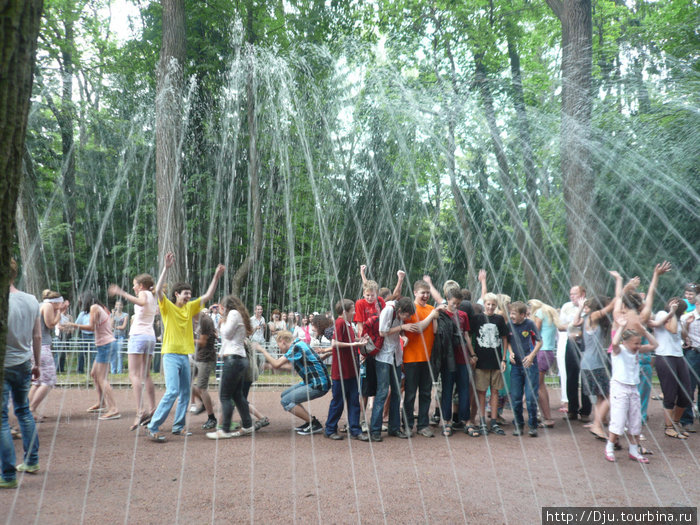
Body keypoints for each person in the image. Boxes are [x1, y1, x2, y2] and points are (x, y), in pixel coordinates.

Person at [147, 252, 224, 442]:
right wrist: (166, 267)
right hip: (170, 355)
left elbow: (208, 295)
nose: (189, 296)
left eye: (190, 293)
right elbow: (157, 291)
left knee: (184, 393)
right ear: (176, 295)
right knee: (172, 391)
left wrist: (216, 277)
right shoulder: (167, 307)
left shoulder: (190, 308)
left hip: (185, 356)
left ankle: (178, 426)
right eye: (185, 293)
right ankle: (153, 426)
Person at [1, 259, 42, 488]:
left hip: (4, 365)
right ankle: (31, 460)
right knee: (24, 411)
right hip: (24, 362)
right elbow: (37, 336)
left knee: (1, 420)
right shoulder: (31, 300)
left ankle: (7, 475)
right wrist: (36, 362)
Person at [423, 277, 474, 438]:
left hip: (462, 358)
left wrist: (472, 354)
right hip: (447, 358)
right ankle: (447, 421)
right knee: (446, 390)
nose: (456, 306)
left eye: (458, 304)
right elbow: (435, 331)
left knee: (464, 390)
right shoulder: (441, 313)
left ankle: (467, 421)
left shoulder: (463, 315)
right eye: (454, 303)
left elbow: (466, 336)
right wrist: (436, 313)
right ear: (447, 300)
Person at [109, 274, 158, 430]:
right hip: (150, 336)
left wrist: (122, 293)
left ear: (141, 285)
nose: (133, 287)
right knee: (146, 374)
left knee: (134, 375)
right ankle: (153, 408)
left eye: (134, 285)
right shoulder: (154, 295)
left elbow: (141, 302)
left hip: (138, 336)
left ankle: (140, 411)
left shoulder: (144, 294)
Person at [258, 331, 332, 435]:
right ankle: (309, 421)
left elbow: (276, 364)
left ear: (283, 341)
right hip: (312, 381)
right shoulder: (299, 345)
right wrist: (269, 366)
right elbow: (292, 368)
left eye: (279, 345)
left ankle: (314, 424)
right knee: (285, 395)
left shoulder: (296, 347)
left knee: (286, 401)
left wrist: (262, 350)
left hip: (318, 384)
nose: (279, 348)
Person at [605, 321, 658, 463]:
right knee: (619, 420)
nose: (638, 346)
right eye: (635, 343)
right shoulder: (619, 350)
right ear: (626, 342)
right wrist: (621, 326)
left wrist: (644, 331)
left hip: (633, 387)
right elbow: (615, 344)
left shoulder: (637, 350)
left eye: (639, 343)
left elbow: (654, 345)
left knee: (635, 421)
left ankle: (634, 450)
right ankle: (609, 447)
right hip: (620, 387)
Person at [207, 295, 254, 439]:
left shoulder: (233, 314)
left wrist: (221, 322)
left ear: (224, 307)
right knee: (237, 395)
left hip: (234, 360)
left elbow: (226, 334)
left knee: (225, 395)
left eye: (220, 307)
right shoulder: (237, 315)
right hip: (237, 359)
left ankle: (224, 429)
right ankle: (247, 425)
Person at [68, 292, 121, 420]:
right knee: (94, 374)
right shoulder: (100, 308)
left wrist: (74, 325)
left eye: (81, 301)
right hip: (106, 345)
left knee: (102, 378)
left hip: (106, 345)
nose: (80, 304)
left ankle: (113, 408)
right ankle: (101, 402)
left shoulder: (94, 308)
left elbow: (91, 327)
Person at [369, 297, 415, 441]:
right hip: (383, 356)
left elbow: (398, 330)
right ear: (400, 310)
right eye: (406, 316)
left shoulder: (399, 313)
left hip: (395, 355)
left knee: (396, 392)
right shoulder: (389, 310)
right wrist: (402, 328)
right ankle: (375, 430)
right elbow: (382, 331)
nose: (406, 319)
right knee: (382, 392)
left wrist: (403, 336)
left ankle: (394, 428)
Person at [324, 299, 370, 441]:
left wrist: (358, 340)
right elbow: (334, 343)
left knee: (353, 401)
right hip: (341, 371)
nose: (355, 312)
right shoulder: (340, 323)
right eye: (352, 310)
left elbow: (345, 340)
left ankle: (354, 429)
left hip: (350, 370)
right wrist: (355, 343)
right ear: (345, 312)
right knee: (338, 401)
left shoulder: (348, 324)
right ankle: (331, 429)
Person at [402, 280, 443, 438]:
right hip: (411, 357)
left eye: (427, 293)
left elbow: (434, 331)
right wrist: (432, 315)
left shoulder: (431, 309)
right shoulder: (410, 309)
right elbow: (418, 328)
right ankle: (407, 425)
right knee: (411, 393)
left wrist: (435, 317)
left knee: (426, 392)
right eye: (422, 293)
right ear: (415, 293)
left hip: (427, 358)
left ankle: (423, 425)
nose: (425, 296)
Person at [649, 298, 693, 438]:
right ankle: (668, 427)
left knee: (687, 393)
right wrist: (672, 312)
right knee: (670, 393)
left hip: (678, 356)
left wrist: (686, 323)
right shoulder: (663, 314)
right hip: (665, 356)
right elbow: (672, 330)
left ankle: (676, 422)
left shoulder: (677, 318)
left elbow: (684, 336)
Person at [470, 292, 509, 437]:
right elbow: (469, 336)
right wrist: (472, 354)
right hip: (481, 361)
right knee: (481, 391)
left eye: (493, 304)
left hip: (496, 361)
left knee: (495, 391)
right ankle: (481, 420)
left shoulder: (499, 319)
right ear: (484, 304)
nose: (491, 307)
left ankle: (493, 421)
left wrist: (504, 358)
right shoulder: (477, 318)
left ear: (496, 305)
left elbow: (505, 338)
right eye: (488, 304)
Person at [507, 301, 542, 437]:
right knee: (515, 397)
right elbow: (508, 341)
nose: (511, 316)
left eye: (514, 314)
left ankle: (533, 426)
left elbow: (539, 341)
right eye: (510, 313)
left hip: (530, 365)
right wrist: (510, 353)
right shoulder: (509, 325)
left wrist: (532, 355)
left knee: (530, 397)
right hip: (516, 365)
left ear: (523, 315)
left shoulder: (530, 324)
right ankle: (518, 424)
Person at [354, 278, 386, 430]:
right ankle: (361, 421)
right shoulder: (360, 304)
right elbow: (360, 326)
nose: (370, 298)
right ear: (363, 294)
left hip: (381, 346)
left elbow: (386, 320)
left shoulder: (380, 301)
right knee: (366, 388)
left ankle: (377, 421)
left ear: (376, 294)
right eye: (367, 295)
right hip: (368, 346)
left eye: (372, 295)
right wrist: (363, 349)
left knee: (381, 386)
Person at [28, 289, 62, 418]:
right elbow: (51, 324)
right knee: (48, 380)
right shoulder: (47, 306)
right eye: (60, 303)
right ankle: (31, 409)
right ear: (55, 302)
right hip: (42, 347)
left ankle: (28, 410)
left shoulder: (40, 305)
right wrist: (59, 314)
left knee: (37, 381)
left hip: (35, 346)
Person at [561, 285, 591, 421]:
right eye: (570, 294)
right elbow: (560, 326)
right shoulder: (566, 307)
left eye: (575, 294)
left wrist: (575, 325)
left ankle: (585, 411)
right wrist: (573, 325)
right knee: (571, 376)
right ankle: (572, 410)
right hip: (572, 343)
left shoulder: (590, 306)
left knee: (586, 377)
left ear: (583, 293)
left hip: (587, 345)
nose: (572, 296)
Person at [528, 299, 559, 428]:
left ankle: (547, 417)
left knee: (539, 385)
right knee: (540, 385)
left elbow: (534, 331)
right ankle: (544, 415)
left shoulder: (540, 313)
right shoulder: (548, 314)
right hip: (548, 352)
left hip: (541, 352)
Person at [190, 310, 218, 431]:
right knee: (185, 382)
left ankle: (211, 418)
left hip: (205, 358)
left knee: (201, 387)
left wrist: (184, 340)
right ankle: (204, 402)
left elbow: (202, 342)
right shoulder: (191, 319)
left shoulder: (205, 320)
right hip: (194, 356)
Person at [680, 292, 700, 431]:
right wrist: (686, 326)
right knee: (689, 386)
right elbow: (680, 338)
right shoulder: (686, 317)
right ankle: (686, 420)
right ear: (697, 304)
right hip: (693, 352)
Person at [109, 300, 129, 374]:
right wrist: (113, 315)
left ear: (122, 306)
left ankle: (119, 371)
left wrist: (115, 327)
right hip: (113, 336)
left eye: (120, 305)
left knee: (120, 354)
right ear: (115, 306)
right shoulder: (112, 315)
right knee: (113, 353)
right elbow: (110, 325)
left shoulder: (125, 315)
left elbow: (123, 326)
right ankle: (113, 371)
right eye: (117, 305)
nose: (118, 306)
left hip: (121, 336)